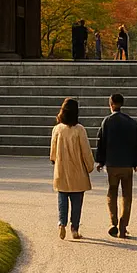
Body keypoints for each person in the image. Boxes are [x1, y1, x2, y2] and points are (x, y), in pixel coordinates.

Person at [95, 92, 137, 238]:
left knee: (112, 192)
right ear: (122, 104)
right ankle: (123, 226)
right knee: (127, 195)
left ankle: (113, 222)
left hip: (112, 165)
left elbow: (101, 142)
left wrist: (100, 161)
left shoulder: (107, 121)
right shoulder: (131, 122)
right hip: (127, 165)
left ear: (110, 104)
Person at [50, 98, 94, 239]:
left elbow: (53, 151)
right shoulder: (80, 129)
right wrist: (90, 166)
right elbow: (86, 151)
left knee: (62, 198)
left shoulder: (57, 129)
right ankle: (74, 228)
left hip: (62, 170)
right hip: (77, 171)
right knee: (77, 202)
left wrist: (55, 161)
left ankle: (61, 224)